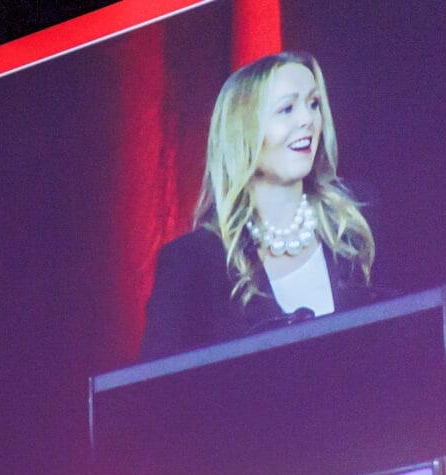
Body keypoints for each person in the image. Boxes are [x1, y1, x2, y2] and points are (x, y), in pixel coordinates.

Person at [139, 52, 377, 362]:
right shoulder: (193, 262)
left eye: (314, 104)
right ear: (242, 131)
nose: (307, 119)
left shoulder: (359, 218)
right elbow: (153, 394)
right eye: (287, 108)